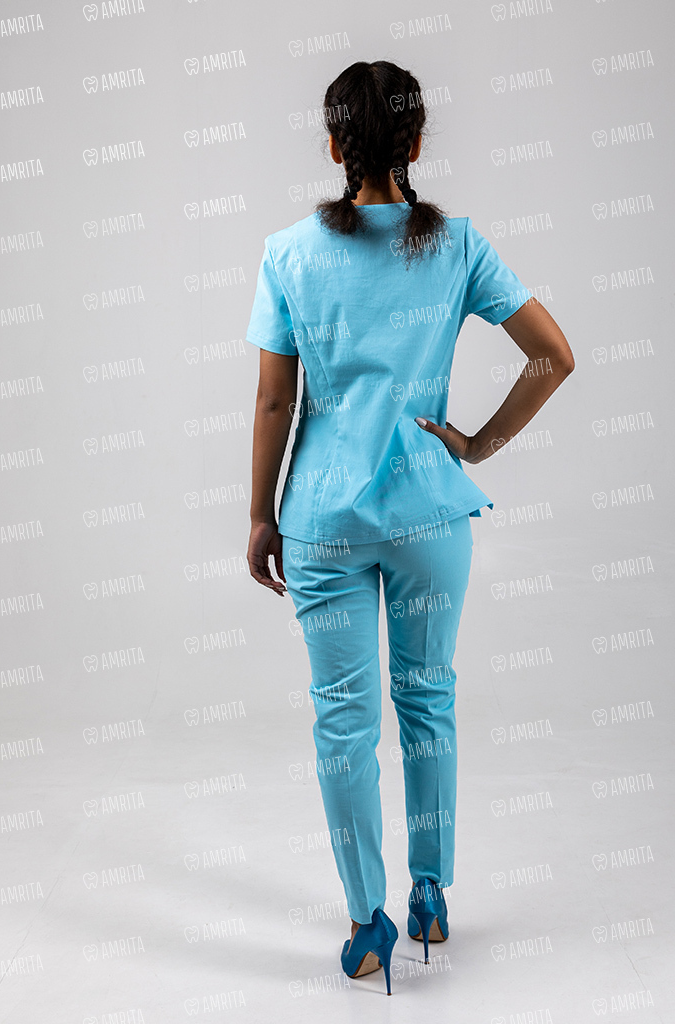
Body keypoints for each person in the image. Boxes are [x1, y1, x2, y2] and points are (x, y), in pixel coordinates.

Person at [245, 60, 574, 994]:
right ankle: (431, 894)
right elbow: (553, 356)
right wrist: (474, 445)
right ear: (416, 141)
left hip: (323, 519)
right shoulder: (457, 245)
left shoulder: (289, 253)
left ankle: (367, 922)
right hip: (431, 512)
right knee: (428, 699)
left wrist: (260, 515)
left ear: (335, 146)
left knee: (343, 721)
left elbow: (275, 403)